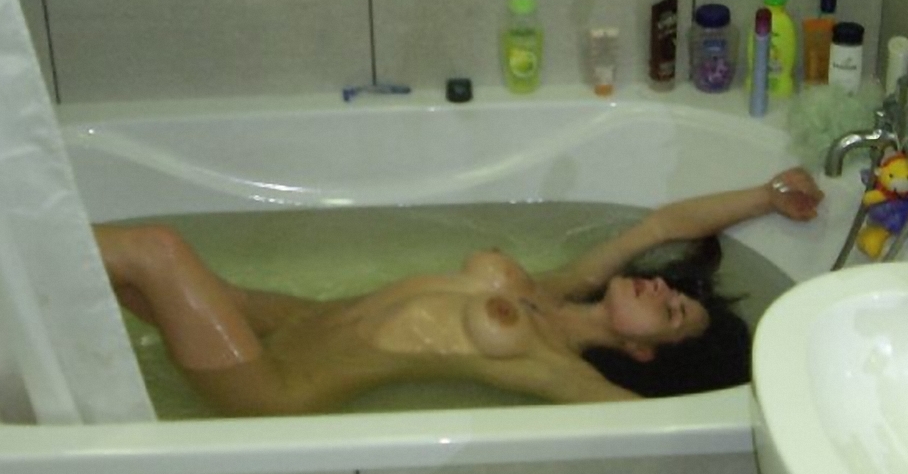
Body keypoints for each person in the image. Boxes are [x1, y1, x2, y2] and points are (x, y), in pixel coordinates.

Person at [96, 167, 823, 417]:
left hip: (271, 384)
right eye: (673, 290)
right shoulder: (559, 288)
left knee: (156, 251)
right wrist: (764, 195)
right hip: (291, 320)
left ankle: (15, 248)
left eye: (671, 311)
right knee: (122, 267)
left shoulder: (558, 370)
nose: (660, 285)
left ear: (643, 353)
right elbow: (661, 225)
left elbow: (659, 426)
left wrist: (793, 400)